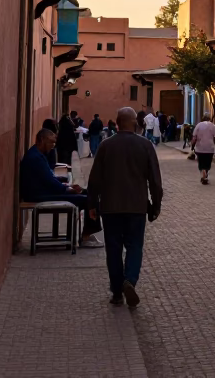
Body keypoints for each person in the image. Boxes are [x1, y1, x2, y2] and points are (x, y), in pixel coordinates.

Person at [87, 107, 163, 308]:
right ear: (136, 124)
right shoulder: (146, 146)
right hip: (136, 207)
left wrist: (92, 203)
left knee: (113, 249)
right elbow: (155, 180)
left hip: (110, 207)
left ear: (117, 123)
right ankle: (129, 280)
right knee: (134, 246)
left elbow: (94, 179)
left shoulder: (105, 146)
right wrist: (156, 205)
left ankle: (117, 291)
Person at [19, 128, 102, 247]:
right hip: (38, 195)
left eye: (54, 143)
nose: (53, 146)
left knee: (89, 194)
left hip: (43, 191)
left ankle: (88, 234)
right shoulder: (35, 157)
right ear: (41, 140)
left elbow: (48, 178)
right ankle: (86, 237)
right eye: (50, 142)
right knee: (87, 199)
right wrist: (67, 189)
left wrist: (66, 185)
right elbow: (50, 182)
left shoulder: (38, 154)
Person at [190, 115, 215, 185]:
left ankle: (203, 171)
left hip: (200, 148)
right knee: (208, 162)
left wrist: (192, 146)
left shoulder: (198, 125)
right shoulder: (212, 125)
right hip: (210, 148)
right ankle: (206, 172)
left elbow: (194, 138)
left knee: (201, 162)